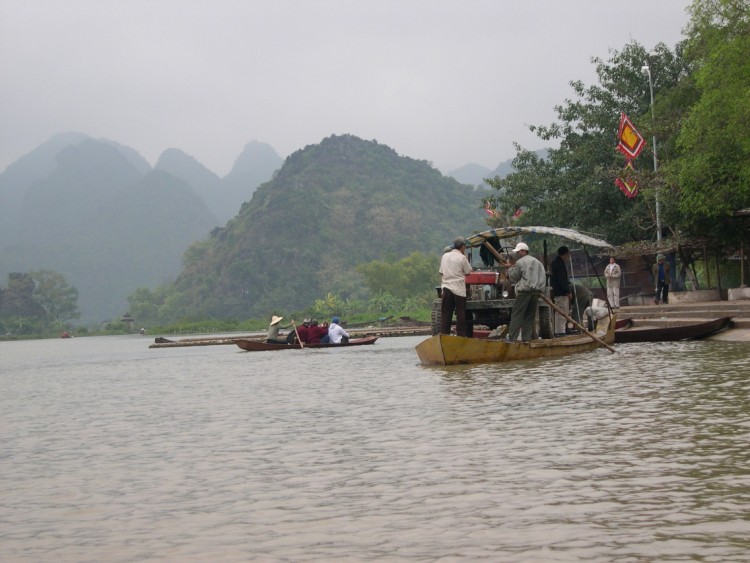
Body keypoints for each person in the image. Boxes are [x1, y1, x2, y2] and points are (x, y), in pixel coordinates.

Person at [500, 242, 547, 342]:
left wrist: (508, 269)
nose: (517, 254)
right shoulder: (538, 262)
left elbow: (514, 277)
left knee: (517, 315)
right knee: (529, 317)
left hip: (524, 292)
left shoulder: (520, 262)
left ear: (523, 251)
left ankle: (512, 339)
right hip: (536, 292)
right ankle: (526, 339)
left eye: (518, 252)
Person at [439, 237, 473, 336]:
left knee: (446, 314)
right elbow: (468, 272)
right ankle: (461, 336)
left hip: (446, 288)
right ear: (463, 247)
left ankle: (444, 335)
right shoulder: (462, 257)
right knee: (460, 314)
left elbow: (441, 272)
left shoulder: (445, 256)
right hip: (458, 289)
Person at [550, 246, 572, 337]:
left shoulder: (555, 263)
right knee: (562, 312)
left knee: (559, 312)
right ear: (565, 254)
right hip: (560, 292)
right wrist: (567, 292)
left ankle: (558, 331)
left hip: (557, 291)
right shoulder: (559, 264)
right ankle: (560, 332)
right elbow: (562, 280)